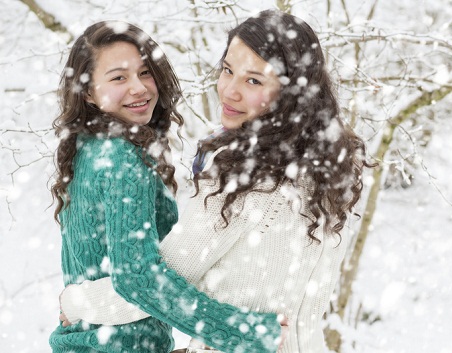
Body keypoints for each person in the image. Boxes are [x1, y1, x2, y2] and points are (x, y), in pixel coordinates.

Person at [58, 10, 371, 353]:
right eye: (227, 71)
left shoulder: (249, 178)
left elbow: (153, 281)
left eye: (253, 80)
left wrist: (75, 300)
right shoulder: (331, 166)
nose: (230, 92)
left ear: (290, 93)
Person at [48, 20, 282, 353]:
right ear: (88, 91)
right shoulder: (121, 159)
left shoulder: (89, 148)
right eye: (118, 77)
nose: (139, 88)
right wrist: (243, 332)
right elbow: (138, 279)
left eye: (145, 73)